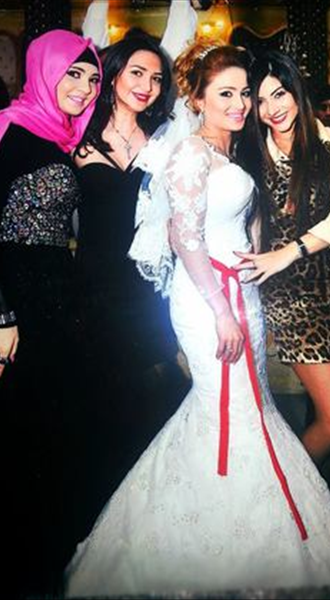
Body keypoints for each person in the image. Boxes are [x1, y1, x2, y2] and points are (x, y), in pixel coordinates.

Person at [64, 41, 330, 597]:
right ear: (198, 100)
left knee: (240, 414)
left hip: (240, 294)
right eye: (225, 94)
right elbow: (184, 238)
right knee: (230, 414)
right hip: (210, 301)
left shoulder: (232, 151)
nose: (240, 104)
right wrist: (222, 310)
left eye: (244, 93)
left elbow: (240, 223)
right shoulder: (191, 152)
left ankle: (234, 534)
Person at [0, 29, 102, 596]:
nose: (83, 87)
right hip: (16, 301)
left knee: (52, 429)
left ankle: (46, 556)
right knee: (15, 430)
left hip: (58, 300)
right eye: (73, 73)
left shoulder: (63, 136)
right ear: (44, 70)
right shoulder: (10, 126)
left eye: (92, 78)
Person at [233, 50, 330, 466]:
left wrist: (292, 250)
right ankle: (285, 493)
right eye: (260, 100)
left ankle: (313, 498)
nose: (272, 109)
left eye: (279, 94)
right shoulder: (249, 154)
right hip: (292, 295)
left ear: (295, 89)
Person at [71, 30, 187, 529]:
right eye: (137, 73)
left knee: (153, 394)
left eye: (157, 79)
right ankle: (101, 519)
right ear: (114, 74)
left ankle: (148, 519)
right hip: (91, 289)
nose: (147, 85)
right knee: (100, 400)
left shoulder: (165, 139)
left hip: (145, 288)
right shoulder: (76, 130)